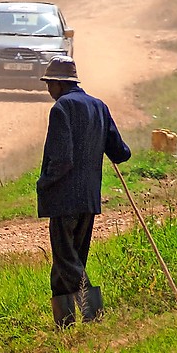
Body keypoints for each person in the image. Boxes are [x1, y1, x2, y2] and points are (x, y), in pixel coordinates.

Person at [37, 56, 131, 329]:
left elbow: (62, 159)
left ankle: (94, 314)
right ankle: (64, 324)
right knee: (67, 261)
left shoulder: (61, 108)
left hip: (63, 199)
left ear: (58, 83)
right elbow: (121, 152)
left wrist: (44, 183)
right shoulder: (99, 106)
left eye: (49, 83)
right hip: (89, 199)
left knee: (67, 260)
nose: (48, 89)